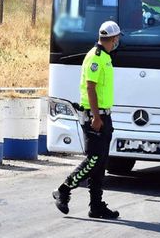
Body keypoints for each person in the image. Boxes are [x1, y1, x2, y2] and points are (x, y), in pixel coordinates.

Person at [52, 20, 122, 219]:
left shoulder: (106, 57)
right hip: (94, 116)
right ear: (113, 39)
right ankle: (63, 190)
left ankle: (96, 205)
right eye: (117, 39)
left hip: (104, 115)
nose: (117, 42)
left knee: (101, 164)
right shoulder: (96, 57)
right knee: (93, 160)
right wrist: (96, 117)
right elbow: (90, 87)